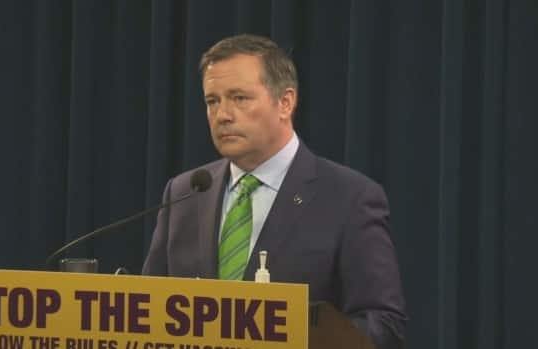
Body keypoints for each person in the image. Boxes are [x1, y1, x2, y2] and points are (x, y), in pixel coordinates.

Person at [142, 34, 407, 348]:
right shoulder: (186, 192)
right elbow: (146, 310)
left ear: (285, 103)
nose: (223, 115)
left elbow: (383, 324)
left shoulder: (350, 197)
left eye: (239, 98)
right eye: (213, 101)